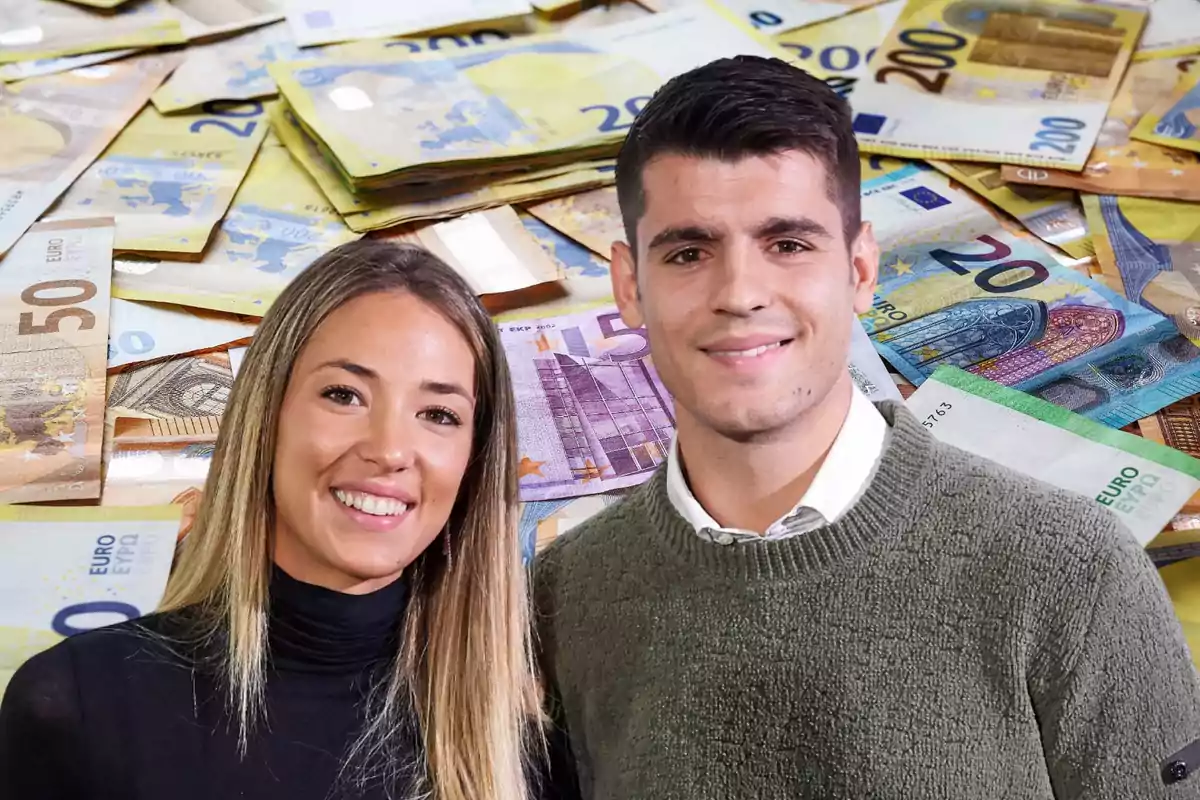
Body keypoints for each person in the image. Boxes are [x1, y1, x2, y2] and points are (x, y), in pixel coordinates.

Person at [533, 56, 1200, 799]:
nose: (741, 293)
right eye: (689, 252)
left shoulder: (1073, 575)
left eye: (787, 245)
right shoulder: (566, 594)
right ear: (629, 286)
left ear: (859, 268)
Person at [0, 241, 544, 800]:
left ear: (474, 460)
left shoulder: (521, 735)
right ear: (267, 417)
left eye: (438, 414)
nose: (390, 450)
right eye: (344, 394)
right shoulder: (75, 710)